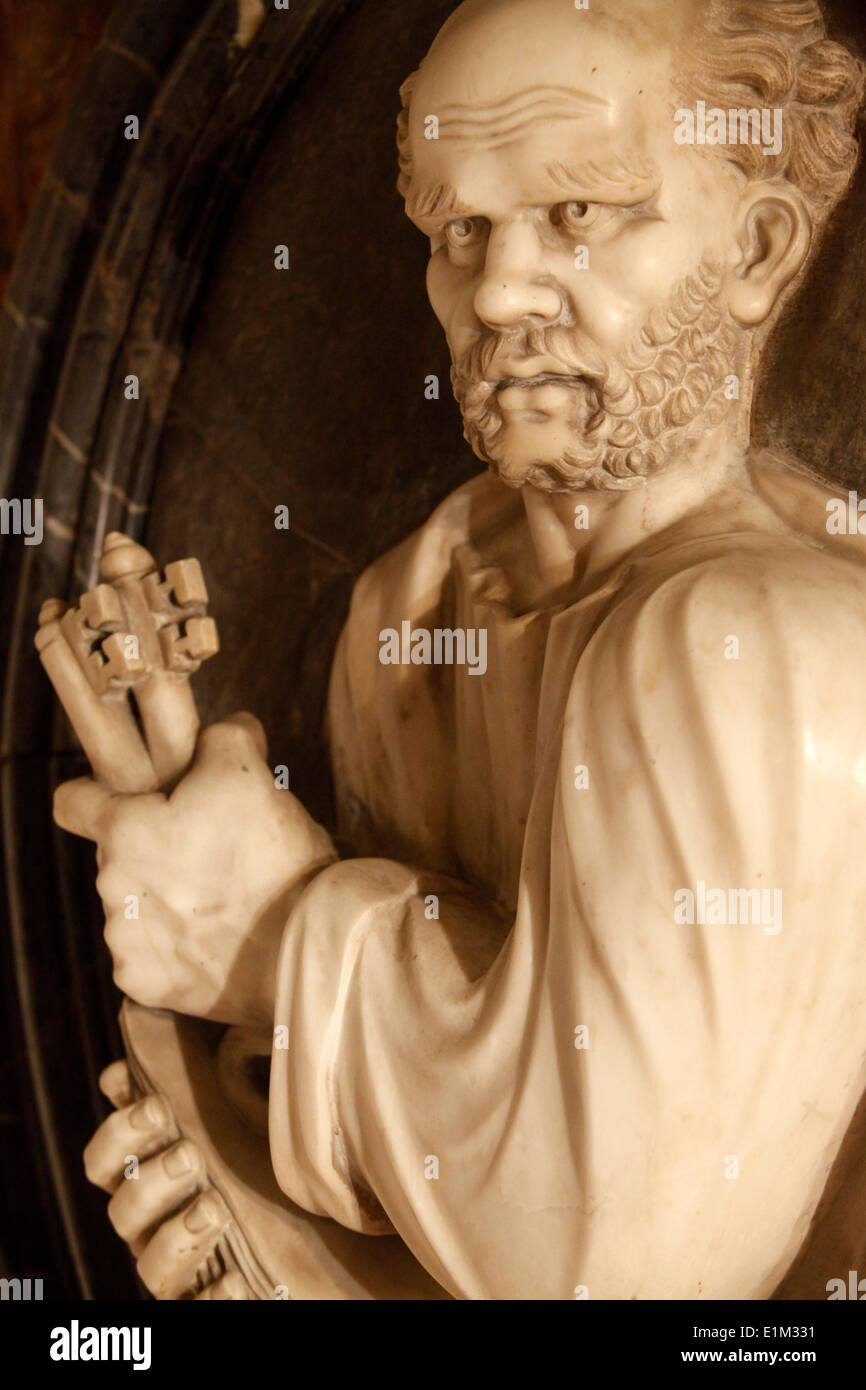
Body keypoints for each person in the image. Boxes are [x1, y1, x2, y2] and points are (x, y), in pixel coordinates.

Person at [65, 0, 866, 1298]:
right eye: (458, 229)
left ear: (759, 248)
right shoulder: (414, 623)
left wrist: (274, 931)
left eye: (578, 213)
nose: (493, 289)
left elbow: (609, 1267)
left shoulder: (762, 649)